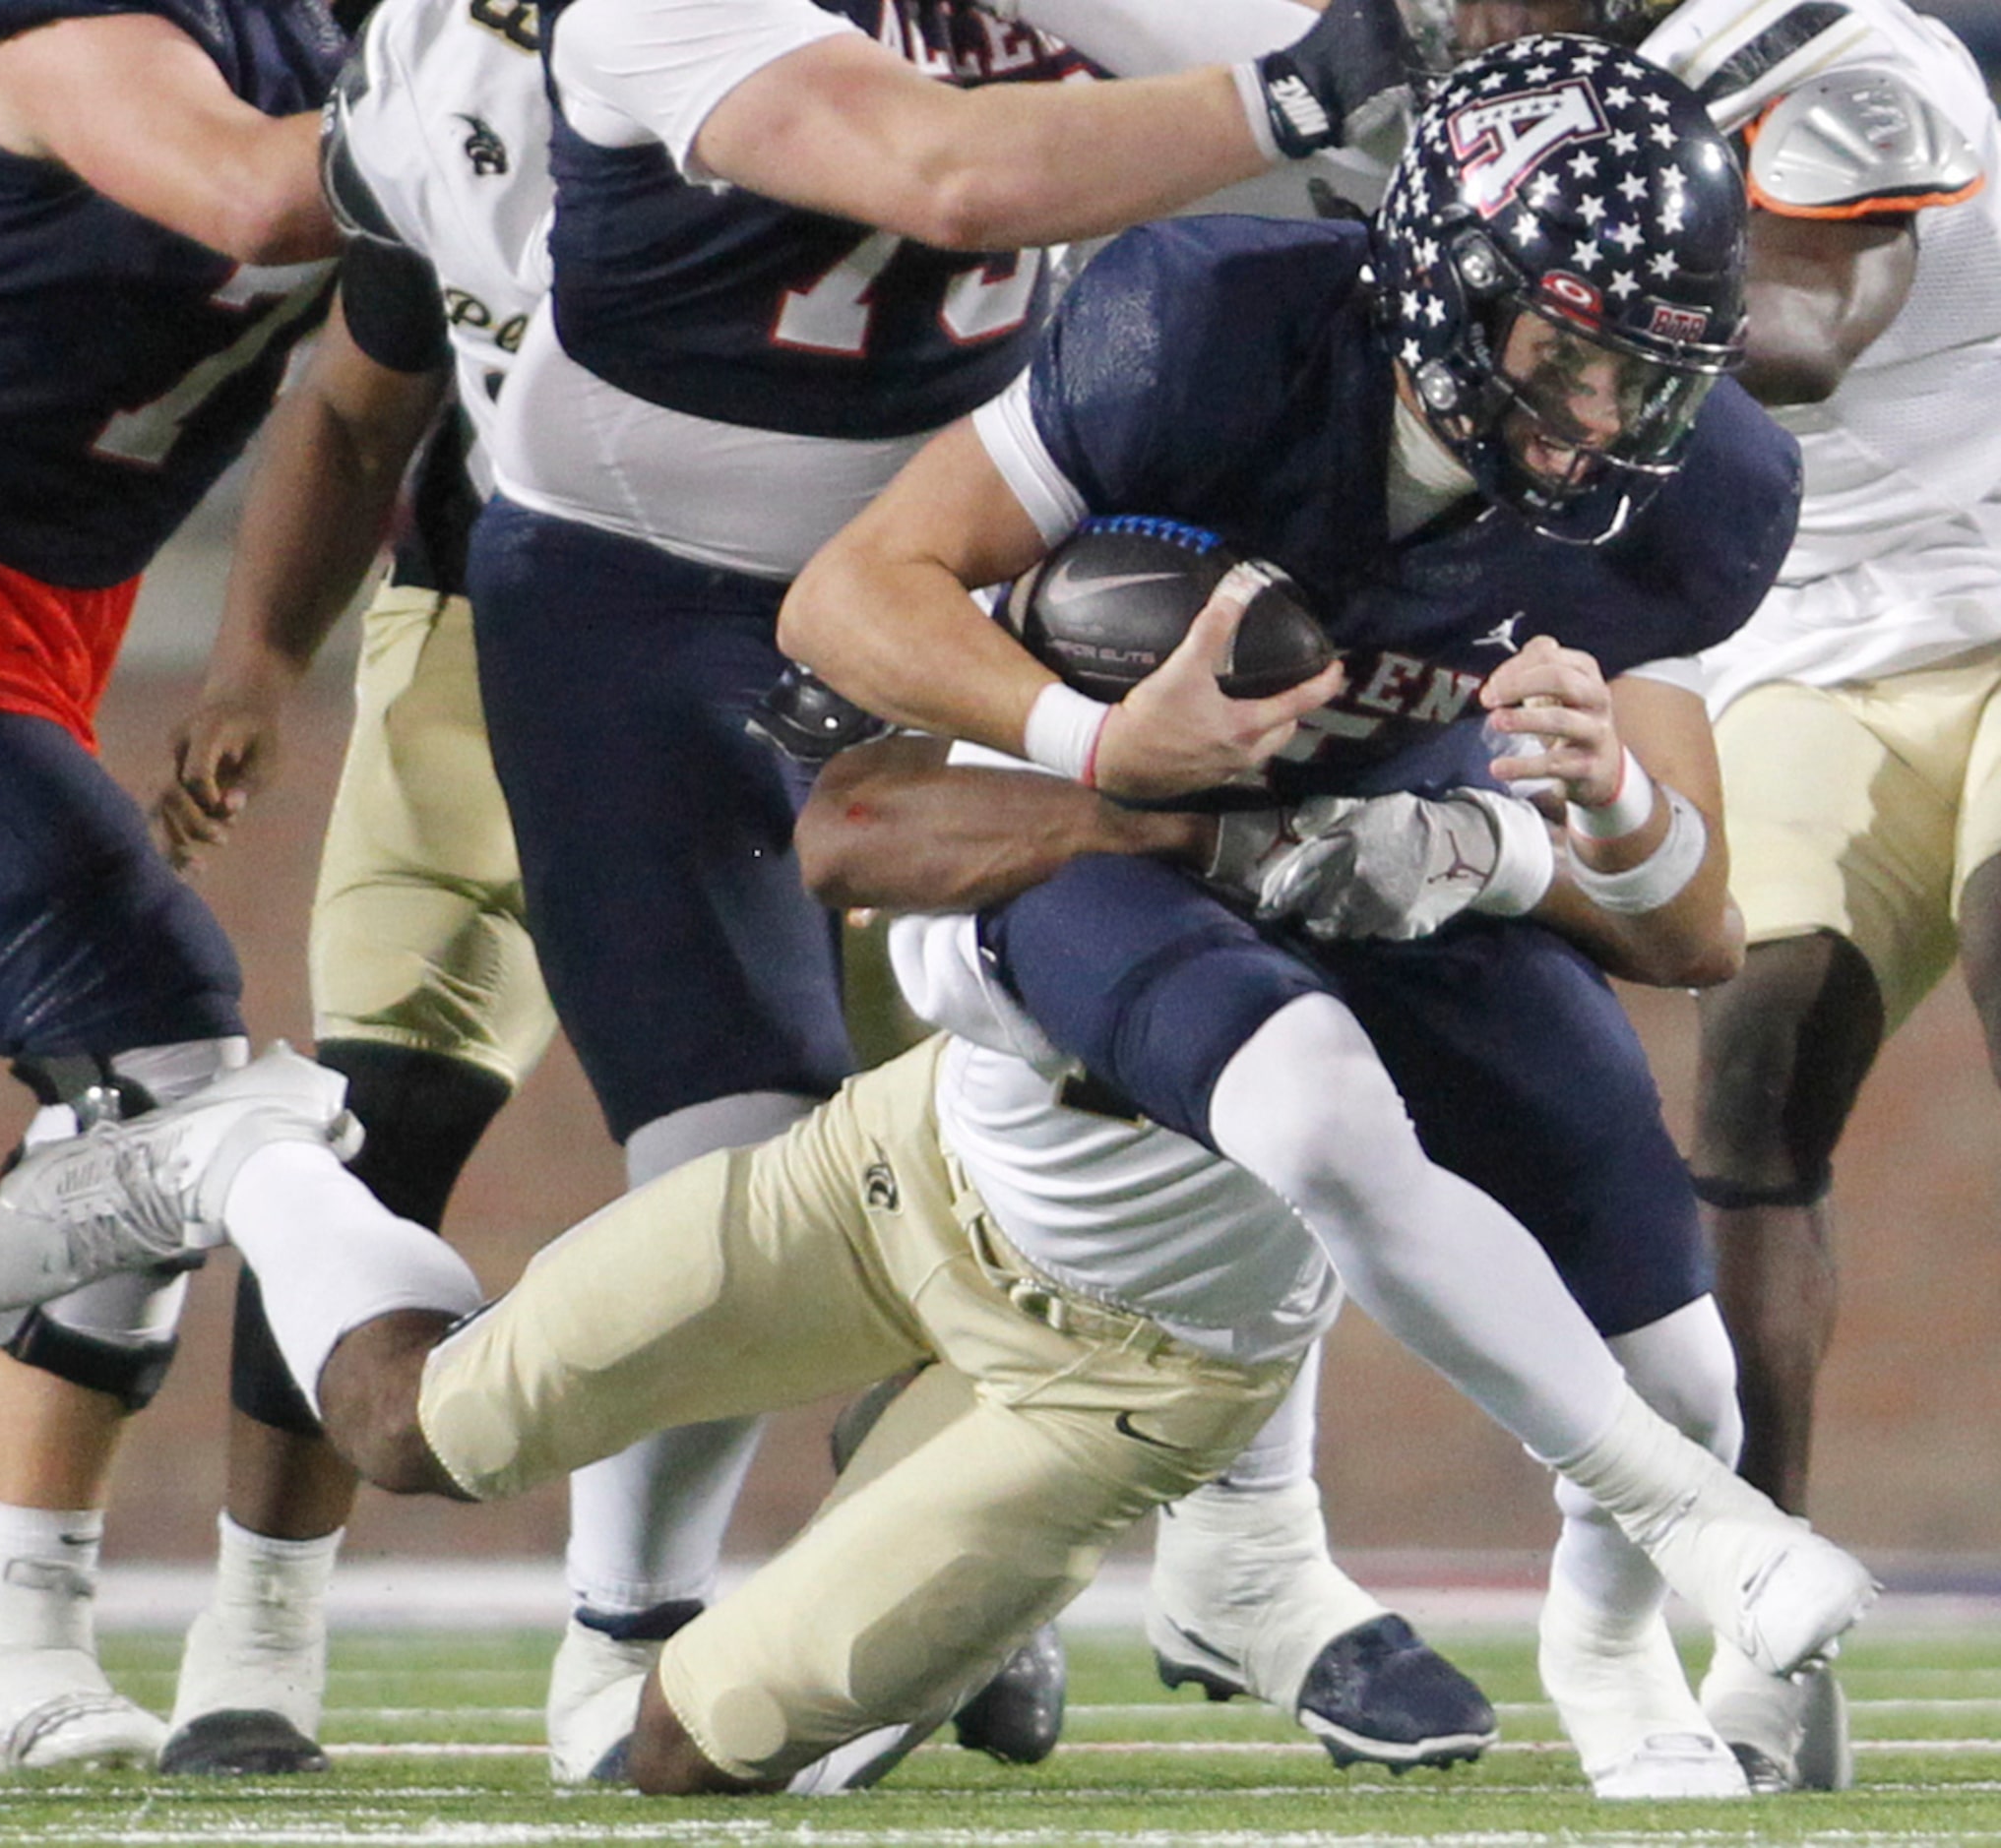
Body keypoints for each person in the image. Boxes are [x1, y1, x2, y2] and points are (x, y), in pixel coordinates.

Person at [141, 0, 1444, 1781]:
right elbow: (956, 177)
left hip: (961, 580)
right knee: (734, 1167)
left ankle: (1229, 1551)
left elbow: (1370, 102)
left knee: (1166, 1061)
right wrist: (1317, 82)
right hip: (650, 599)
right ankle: (624, 1619)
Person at [781, 30, 1876, 1799]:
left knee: (1684, 1368)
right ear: (1445, 293)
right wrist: (1096, 735)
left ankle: (1603, 1650)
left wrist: (1571, 815)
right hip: (1106, 840)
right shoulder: (1206, 331)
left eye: (1647, 380)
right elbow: (844, 600)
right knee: (1303, 1099)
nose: (1606, 424)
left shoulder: (1702, 498)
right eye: (1567, 358)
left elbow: (1689, 937)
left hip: (1377, 859)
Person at [0, 968, 1871, 1802]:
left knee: (656, 1764)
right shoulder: (1121, 663)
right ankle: (249, 1158)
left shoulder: (1450, 792)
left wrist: (1564, 813)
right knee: (410, 1428)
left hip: (1122, 1377)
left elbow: (1676, 917)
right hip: (889, 1176)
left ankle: (1003, 1606)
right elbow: (888, 819)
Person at [1441, 0, 1995, 1793]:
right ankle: (1778, 1620)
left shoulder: (1843, 46)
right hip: (1803, 649)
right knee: (1752, 1066)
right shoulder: (1521, 98)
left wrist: (1537, 290)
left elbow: (1819, 332)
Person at [0, 0, 363, 1774]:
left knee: (146, 1065)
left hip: (3, 627)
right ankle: (11, 1636)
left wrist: (253, 664)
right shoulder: (78, 20)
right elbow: (241, 194)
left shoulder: (359, 41)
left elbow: (383, 379)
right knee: (151, 1050)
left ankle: (11, 1632)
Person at [143, 0, 562, 1776]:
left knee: (900, 1127)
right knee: (371, 1113)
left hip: (818, 671)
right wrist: (251, 659)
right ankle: (259, 1617)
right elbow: (357, 401)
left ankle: (916, 1583)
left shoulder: (912, 95)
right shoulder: (494, 98)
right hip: (498, 628)